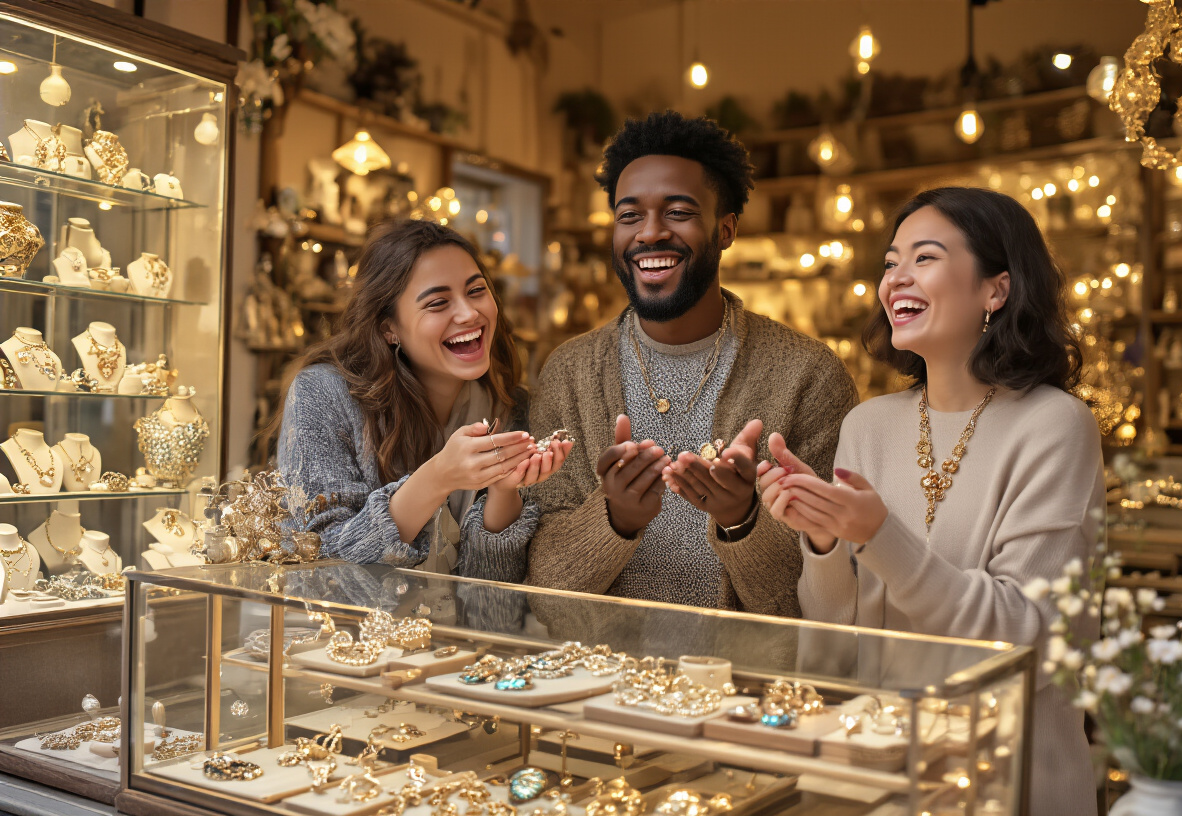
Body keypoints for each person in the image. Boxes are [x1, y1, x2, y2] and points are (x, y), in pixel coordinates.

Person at [759, 187, 1101, 815]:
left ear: (996, 290)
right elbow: (835, 643)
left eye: (925, 257)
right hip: (882, 778)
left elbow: (1025, 636)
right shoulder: (868, 425)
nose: (896, 279)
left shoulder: (1056, 424)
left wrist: (880, 536)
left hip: (1007, 780)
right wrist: (825, 538)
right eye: (891, 262)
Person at [525, 111, 856, 616]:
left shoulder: (808, 377)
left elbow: (820, 603)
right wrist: (614, 518)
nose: (649, 233)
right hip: (595, 665)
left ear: (726, 229)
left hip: (740, 669)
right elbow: (542, 592)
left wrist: (742, 520)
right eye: (629, 215)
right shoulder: (569, 374)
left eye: (678, 212)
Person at [273, 218, 572, 576]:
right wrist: (438, 477)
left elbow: (493, 600)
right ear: (389, 328)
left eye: (476, 290)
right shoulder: (324, 394)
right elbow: (318, 563)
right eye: (438, 302)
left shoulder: (510, 408)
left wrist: (503, 491)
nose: (469, 313)